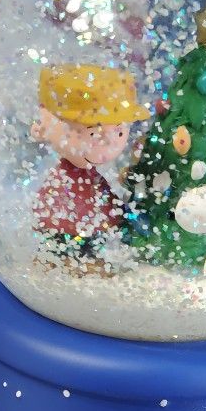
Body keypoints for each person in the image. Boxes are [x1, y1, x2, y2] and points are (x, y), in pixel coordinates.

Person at [30, 64, 149, 270]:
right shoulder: (62, 181)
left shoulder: (93, 179)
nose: (108, 147)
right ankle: (57, 258)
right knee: (60, 233)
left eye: (120, 133)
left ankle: (85, 260)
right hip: (64, 216)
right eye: (93, 134)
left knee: (91, 238)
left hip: (91, 221)